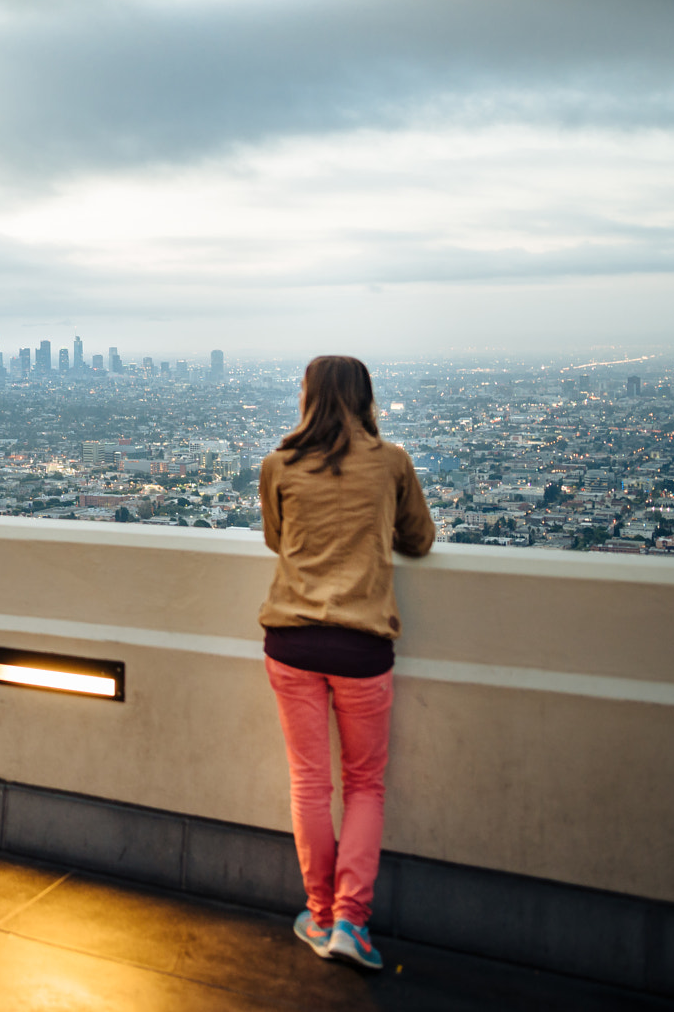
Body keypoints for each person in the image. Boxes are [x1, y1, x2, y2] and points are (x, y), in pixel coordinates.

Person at [257, 354, 434, 972]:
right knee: (364, 785)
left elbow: (279, 541)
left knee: (310, 782)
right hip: (362, 647)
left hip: (292, 642)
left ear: (306, 396)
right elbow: (420, 540)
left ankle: (319, 913)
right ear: (366, 398)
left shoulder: (278, 465)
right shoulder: (391, 464)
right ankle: (351, 925)